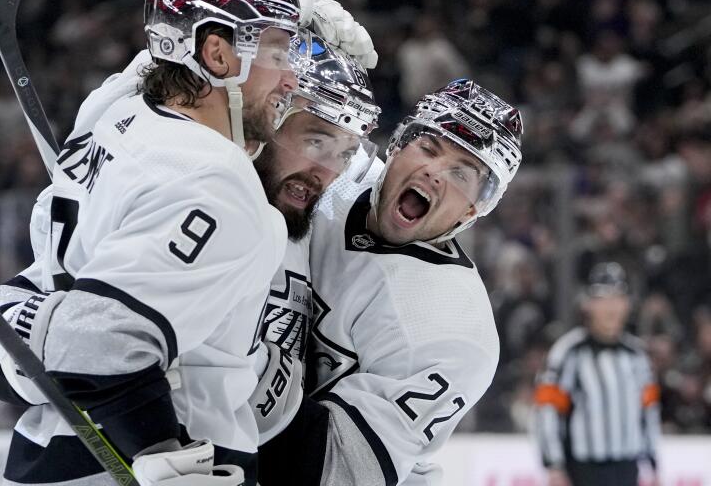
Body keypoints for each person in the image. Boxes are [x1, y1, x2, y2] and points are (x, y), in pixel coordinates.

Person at [0, 0, 301, 486]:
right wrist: (162, 451)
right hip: (151, 457)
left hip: (48, 455)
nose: (290, 79)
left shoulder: (116, 111)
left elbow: (155, 57)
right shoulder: (214, 179)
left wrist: (10, 329)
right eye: (280, 54)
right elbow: (97, 345)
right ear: (218, 54)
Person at [255, 79, 525, 485]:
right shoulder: (333, 175)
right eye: (428, 148)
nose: (433, 172)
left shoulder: (457, 331)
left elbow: (333, 468)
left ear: (472, 209)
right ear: (396, 146)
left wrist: (230, 367)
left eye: (460, 173)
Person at [247, 29, 381, 443]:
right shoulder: (197, 192)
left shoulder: (315, 222)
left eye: (342, 154)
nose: (327, 174)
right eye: (316, 141)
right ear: (270, 118)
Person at [534, 262, 661, 486]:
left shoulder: (637, 355)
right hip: (582, 471)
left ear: (627, 304)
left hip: (627, 469)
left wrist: (652, 463)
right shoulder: (568, 352)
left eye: (618, 297)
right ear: (588, 304)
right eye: (603, 298)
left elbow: (647, 413)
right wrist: (554, 465)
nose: (611, 307)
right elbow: (548, 411)